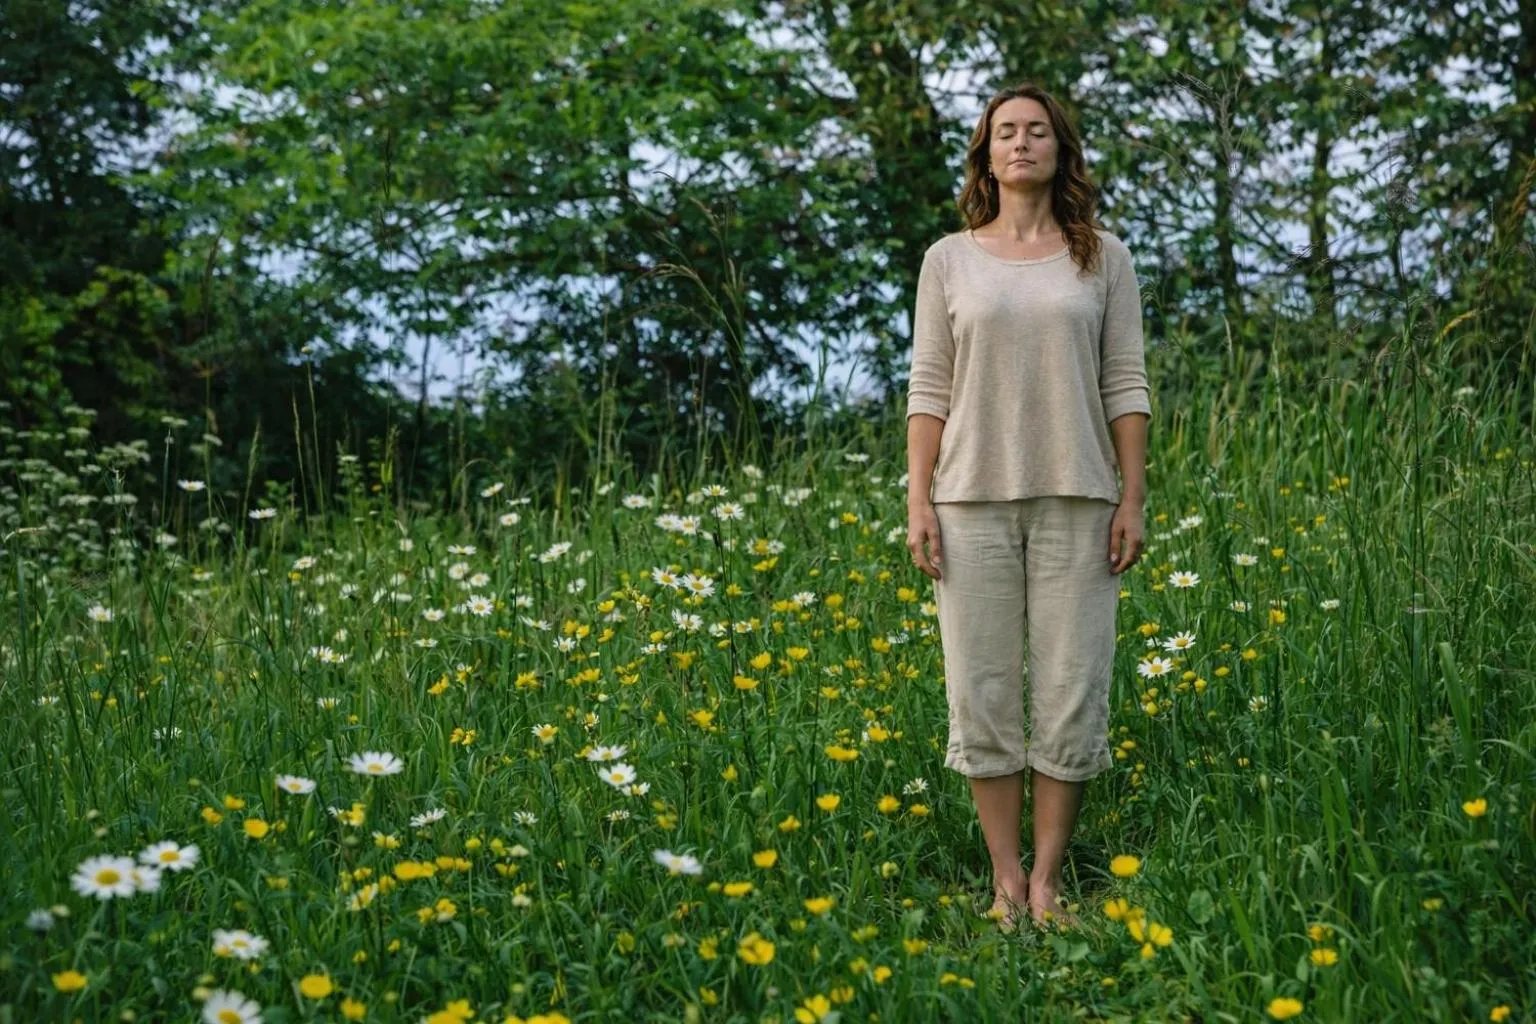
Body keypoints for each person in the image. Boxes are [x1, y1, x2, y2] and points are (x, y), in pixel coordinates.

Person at [904, 82, 1151, 933]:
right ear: (986, 153)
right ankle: (1004, 878)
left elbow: (1125, 382)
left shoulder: (1104, 258)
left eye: (1036, 131)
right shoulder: (948, 260)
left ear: (1060, 149)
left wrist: (1132, 497)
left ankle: (1048, 880)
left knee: (1073, 690)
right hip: (967, 501)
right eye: (1005, 131)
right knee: (981, 693)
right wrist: (919, 500)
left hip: (1080, 501)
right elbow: (928, 387)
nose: (1021, 143)